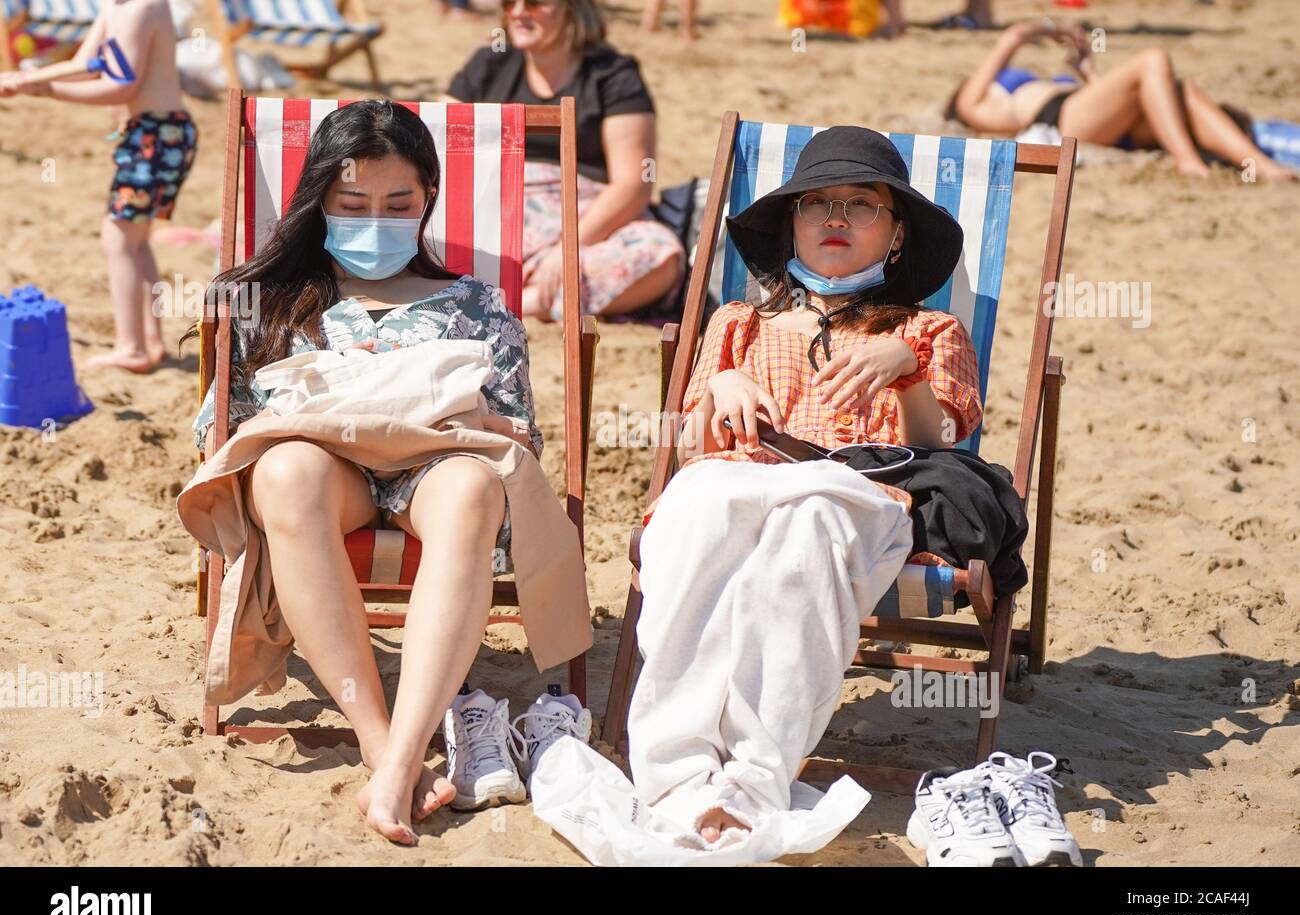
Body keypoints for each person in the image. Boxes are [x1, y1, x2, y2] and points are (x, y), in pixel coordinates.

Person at [184, 100, 587, 845]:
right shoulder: (273, 300)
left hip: (433, 469)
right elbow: (219, 428)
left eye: (398, 204)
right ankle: (379, 740)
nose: (376, 220)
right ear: (320, 204)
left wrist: (433, 412)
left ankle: (400, 763)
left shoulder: (474, 304)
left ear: (429, 195)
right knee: (286, 473)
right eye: (353, 204)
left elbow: (518, 431)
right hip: (322, 475)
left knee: (472, 487)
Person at [628, 127, 983, 845]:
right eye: (816, 203)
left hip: (851, 496)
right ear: (791, 222)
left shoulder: (929, 329)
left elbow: (940, 444)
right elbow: (694, 450)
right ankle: (676, 776)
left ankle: (755, 777)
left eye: (861, 205)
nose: (836, 218)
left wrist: (904, 367)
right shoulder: (734, 324)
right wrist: (717, 385)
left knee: (805, 527)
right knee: (692, 511)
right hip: (734, 484)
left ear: (895, 236)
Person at [445, 0, 686, 323]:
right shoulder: (490, 64)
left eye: (534, 3)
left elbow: (633, 183)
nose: (517, 12)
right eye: (508, 2)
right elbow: (436, 143)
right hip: (501, 209)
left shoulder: (613, 74)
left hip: (586, 216)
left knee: (659, 255)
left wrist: (566, 248)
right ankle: (536, 296)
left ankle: (507, 301)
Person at [0, 0, 198, 372]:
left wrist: (44, 90)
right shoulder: (114, 9)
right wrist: (28, 79)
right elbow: (82, 64)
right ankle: (149, 343)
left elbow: (121, 85)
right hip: (151, 134)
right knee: (133, 239)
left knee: (118, 237)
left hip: (158, 135)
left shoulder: (145, 7)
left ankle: (132, 347)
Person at [946, 19, 1297, 181]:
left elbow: (1126, 98)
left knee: (1181, 90)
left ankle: (1260, 164)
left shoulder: (1023, 85)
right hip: (1063, 118)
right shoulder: (977, 101)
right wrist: (1038, 29)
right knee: (1153, 57)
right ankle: (1188, 161)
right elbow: (1012, 35)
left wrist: (1088, 73)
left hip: (1090, 114)